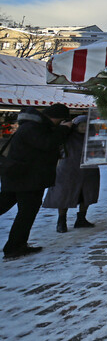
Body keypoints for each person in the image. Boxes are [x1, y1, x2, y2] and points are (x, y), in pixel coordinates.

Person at [0, 104, 73, 259]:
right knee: (26, 213)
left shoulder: (33, 125)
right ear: (58, 118)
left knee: (7, 204)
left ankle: (15, 245)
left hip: (19, 175)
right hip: (28, 178)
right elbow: (47, 144)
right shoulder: (34, 127)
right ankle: (14, 248)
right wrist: (63, 129)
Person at [43, 115, 101, 232]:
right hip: (68, 171)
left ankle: (81, 219)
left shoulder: (92, 138)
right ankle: (61, 222)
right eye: (81, 126)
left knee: (86, 195)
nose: (84, 128)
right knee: (64, 196)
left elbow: (100, 151)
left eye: (86, 126)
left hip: (88, 171)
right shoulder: (67, 137)